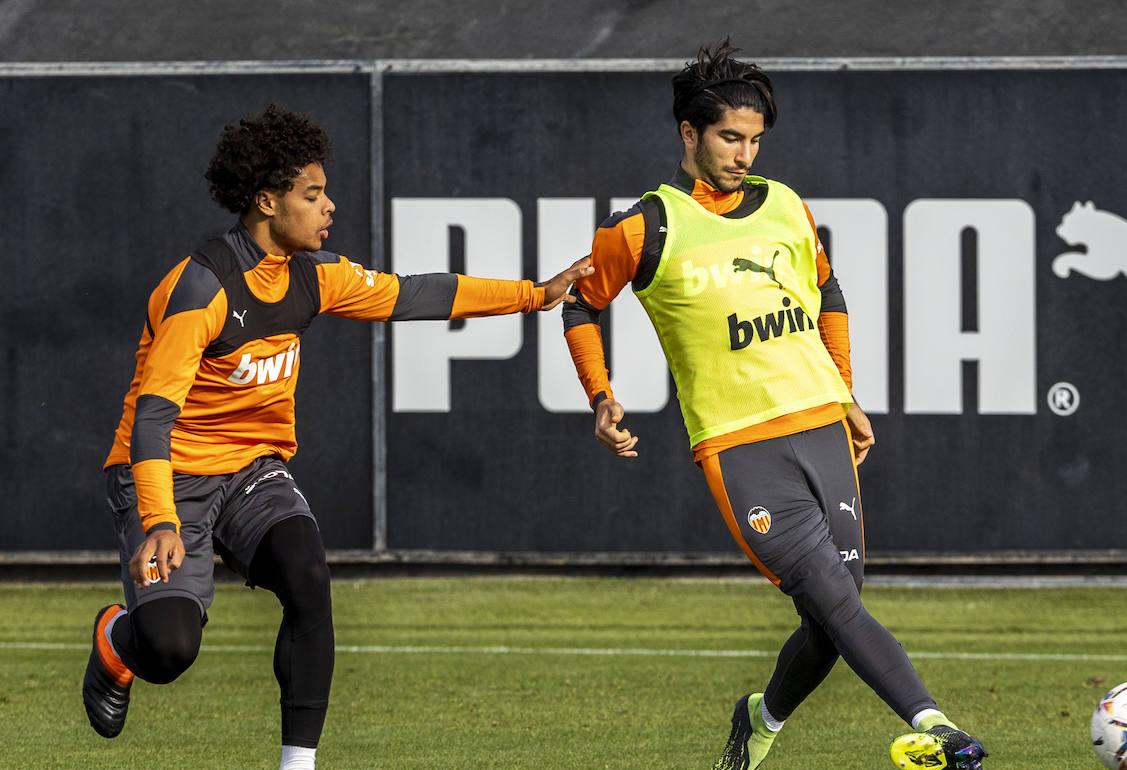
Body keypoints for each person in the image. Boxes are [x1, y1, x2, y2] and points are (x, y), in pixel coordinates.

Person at [82, 104, 592, 770]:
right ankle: (120, 643)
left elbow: (414, 294)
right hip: (165, 475)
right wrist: (158, 519)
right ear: (267, 202)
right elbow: (152, 420)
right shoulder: (202, 290)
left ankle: (300, 766)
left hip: (250, 472)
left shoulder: (313, 276)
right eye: (312, 194)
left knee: (309, 576)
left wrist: (533, 293)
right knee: (171, 651)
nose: (330, 206)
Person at [561, 41, 987, 770]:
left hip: (822, 425)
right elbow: (580, 304)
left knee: (832, 614)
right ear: (689, 133)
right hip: (740, 445)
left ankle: (761, 718)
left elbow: (828, 292)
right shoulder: (642, 227)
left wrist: (845, 392)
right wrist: (600, 396)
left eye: (754, 140)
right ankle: (937, 724)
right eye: (730, 136)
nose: (744, 153)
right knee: (831, 595)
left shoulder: (786, 204)